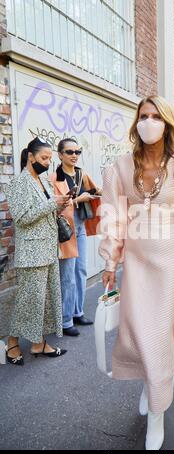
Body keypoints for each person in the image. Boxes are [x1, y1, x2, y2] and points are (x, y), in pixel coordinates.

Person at [99, 95, 174, 450]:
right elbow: (113, 218)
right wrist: (110, 262)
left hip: (172, 262)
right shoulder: (121, 167)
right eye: (143, 116)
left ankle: (157, 412)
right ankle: (149, 384)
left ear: (167, 122)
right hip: (137, 263)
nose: (148, 121)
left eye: (155, 116)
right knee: (139, 331)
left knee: (160, 334)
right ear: (136, 122)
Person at [5, 137, 69, 365]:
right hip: (32, 254)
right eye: (44, 158)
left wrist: (59, 205)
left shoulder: (42, 181)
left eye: (50, 159)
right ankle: (11, 343)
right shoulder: (19, 183)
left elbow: (43, 212)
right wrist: (52, 204)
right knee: (28, 301)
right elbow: (22, 219)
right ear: (30, 156)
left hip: (47, 250)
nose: (47, 162)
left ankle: (37, 343)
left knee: (42, 302)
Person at [50, 139, 101, 337]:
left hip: (80, 227)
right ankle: (65, 320)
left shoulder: (82, 174)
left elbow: (94, 191)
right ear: (60, 154)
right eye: (69, 151)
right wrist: (79, 199)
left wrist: (101, 192)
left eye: (77, 151)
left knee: (81, 271)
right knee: (68, 276)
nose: (74, 155)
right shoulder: (56, 178)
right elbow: (56, 207)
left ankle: (78, 312)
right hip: (66, 230)